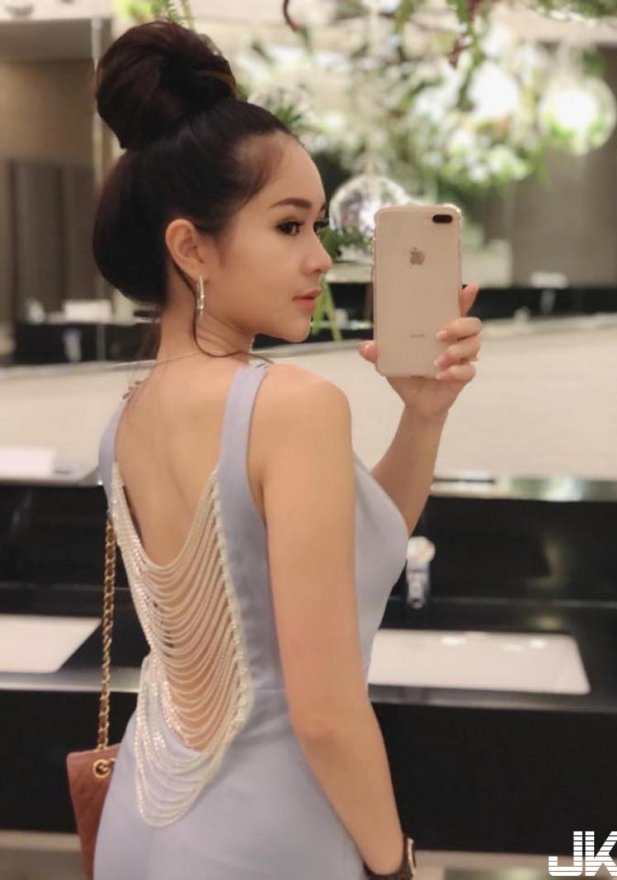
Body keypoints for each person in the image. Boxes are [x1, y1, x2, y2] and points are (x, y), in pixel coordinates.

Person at [92, 19, 482, 880]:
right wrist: (394, 865)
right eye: (290, 227)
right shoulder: (292, 406)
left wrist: (423, 416)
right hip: (267, 836)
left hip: (144, 820)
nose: (319, 259)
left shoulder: (128, 417)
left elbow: (347, 551)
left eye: (317, 227)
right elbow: (325, 715)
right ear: (191, 246)